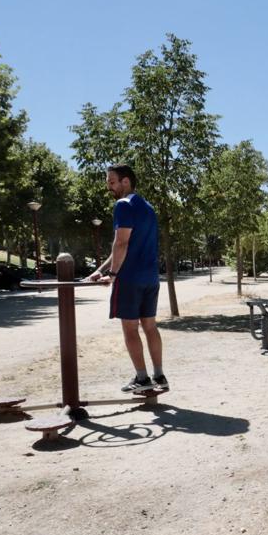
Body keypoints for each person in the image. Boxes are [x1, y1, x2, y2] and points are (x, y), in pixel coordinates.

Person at [86, 164, 168, 393]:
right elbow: (123, 246)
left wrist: (112, 274)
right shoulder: (148, 208)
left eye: (112, 182)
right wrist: (101, 270)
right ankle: (159, 376)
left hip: (130, 278)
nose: (109, 187)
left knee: (130, 329)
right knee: (150, 327)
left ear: (125, 182)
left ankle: (142, 379)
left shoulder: (123, 205)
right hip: (150, 277)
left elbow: (121, 243)